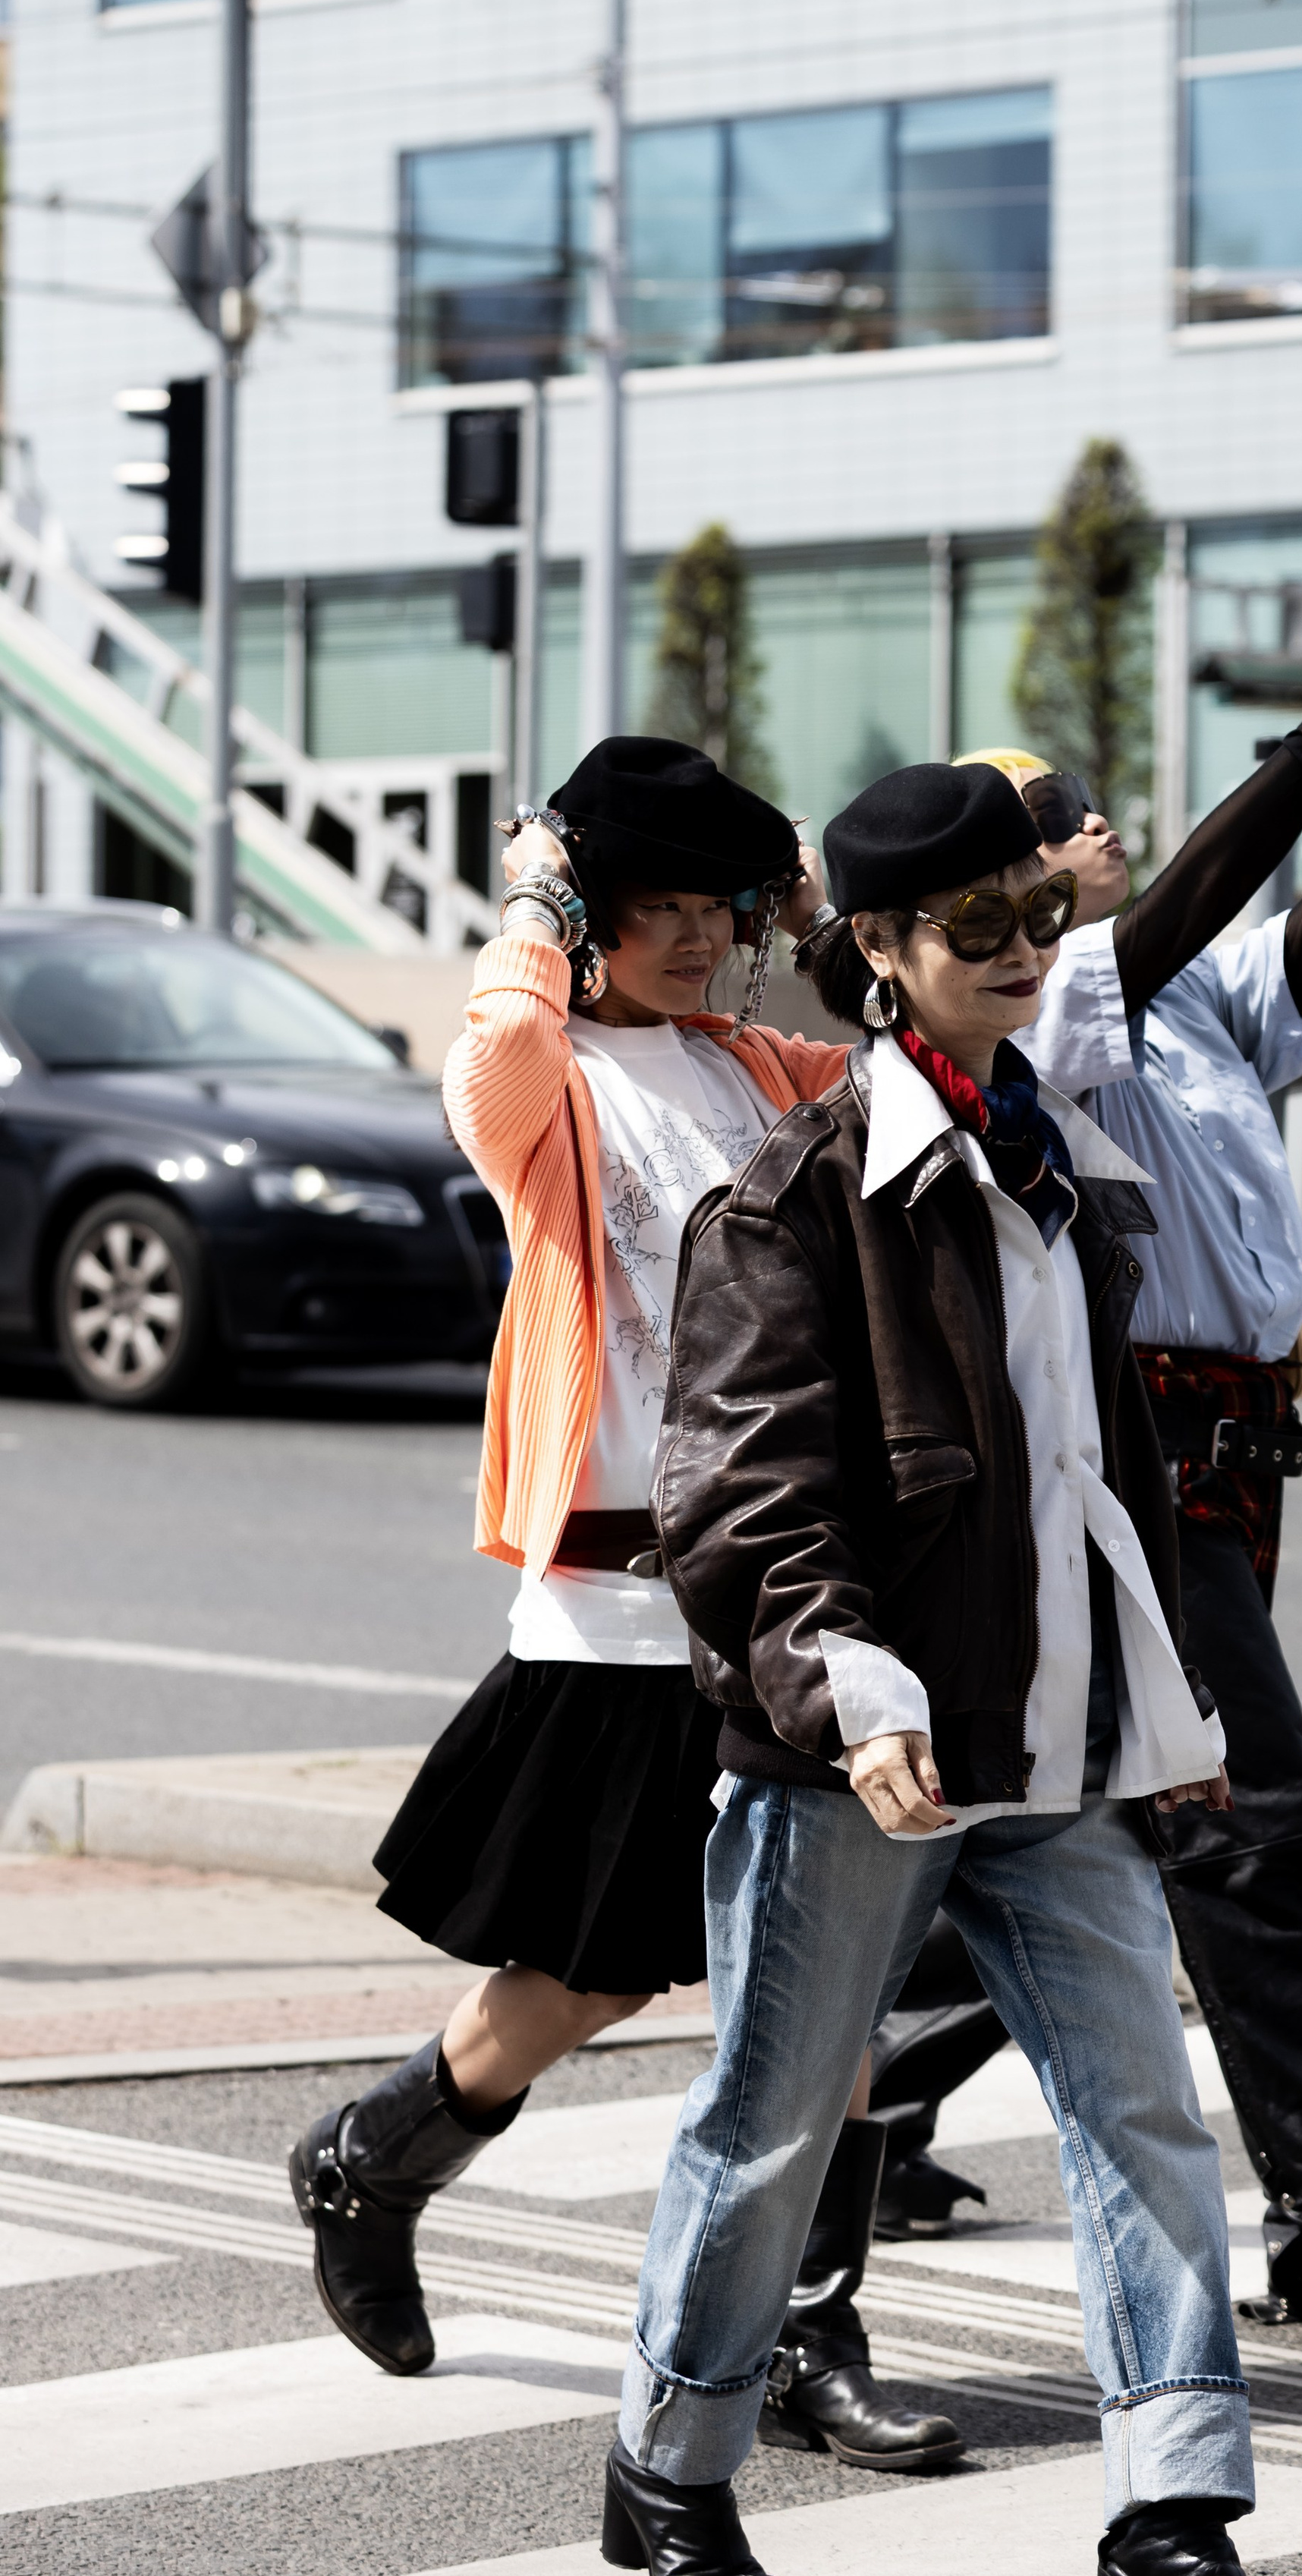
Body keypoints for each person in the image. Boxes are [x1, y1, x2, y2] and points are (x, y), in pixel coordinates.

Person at [607, 757, 1302, 2576]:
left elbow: (1100, 1484)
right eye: (977, 928)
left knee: (1144, 2124)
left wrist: (1165, 1708)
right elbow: (742, 1497)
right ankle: (670, 2460)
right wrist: (849, 1688)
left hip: (1058, 1750)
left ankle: (1168, 2527)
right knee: (769, 2132)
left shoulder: (1060, 1165)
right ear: (877, 951)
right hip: (863, 1754)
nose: (1024, 953)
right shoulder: (793, 1197)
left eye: (1039, 917)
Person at [288, 736, 966, 2480]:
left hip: (791, 1588)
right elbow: (499, 1044)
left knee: (832, 1983)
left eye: (710, 905)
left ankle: (813, 2329)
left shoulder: (763, 1062)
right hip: (612, 1591)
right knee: (581, 1970)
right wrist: (532, 886)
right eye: (648, 905)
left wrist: (815, 917)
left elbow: (926, 1073)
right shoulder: (552, 1082)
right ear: (593, 914)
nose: (685, 938)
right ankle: (373, 2157)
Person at [922, 543, 1302, 2341]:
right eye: (1038, 842)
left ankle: (858, 2094)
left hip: (1227, 1463)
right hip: (1127, 1464)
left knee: (1043, 1825)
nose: (1080, 844)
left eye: (1081, 823)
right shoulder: (1059, 1014)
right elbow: (1183, 899)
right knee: (1252, 1832)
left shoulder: (1179, 1005)